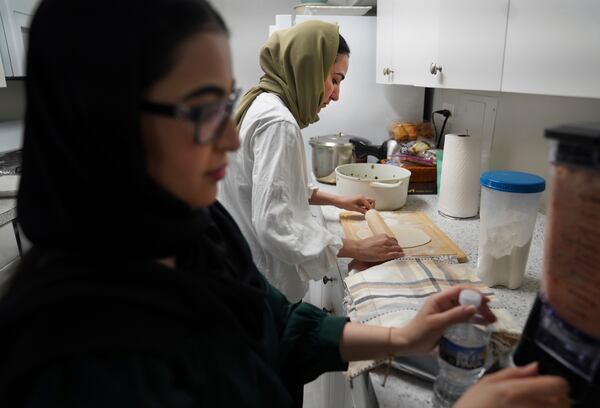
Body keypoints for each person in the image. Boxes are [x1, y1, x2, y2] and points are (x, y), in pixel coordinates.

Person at [0, 1, 569, 407]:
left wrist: (402, 336)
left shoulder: (197, 233)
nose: (229, 138)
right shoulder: (81, 362)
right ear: (103, 124)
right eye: (202, 109)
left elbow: (274, 321)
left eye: (225, 101)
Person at [219, 21, 403, 302]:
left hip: (237, 268)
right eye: (335, 79)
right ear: (310, 69)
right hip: (263, 284)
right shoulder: (278, 123)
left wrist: (337, 200)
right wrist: (358, 248)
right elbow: (275, 225)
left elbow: (272, 188)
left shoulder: (260, 102)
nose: (337, 95)